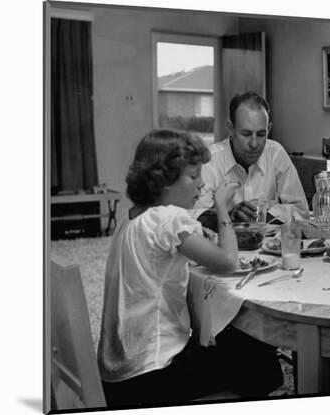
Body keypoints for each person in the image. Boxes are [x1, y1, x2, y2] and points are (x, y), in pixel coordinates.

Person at [97, 130, 282, 408]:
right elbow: (229, 262)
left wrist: (199, 238)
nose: (202, 185)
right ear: (163, 181)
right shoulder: (169, 219)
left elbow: (163, 255)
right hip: (152, 375)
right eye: (193, 176)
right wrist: (222, 206)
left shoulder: (132, 217)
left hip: (118, 374)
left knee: (235, 343)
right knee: (261, 360)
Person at [193, 91, 309, 229]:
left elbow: (301, 210)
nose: (254, 144)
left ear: (269, 129)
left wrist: (263, 216)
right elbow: (194, 214)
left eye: (261, 134)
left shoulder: (276, 154)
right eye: (246, 134)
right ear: (230, 129)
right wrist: (228, 216)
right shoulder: (210, 160)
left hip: (269, 247)